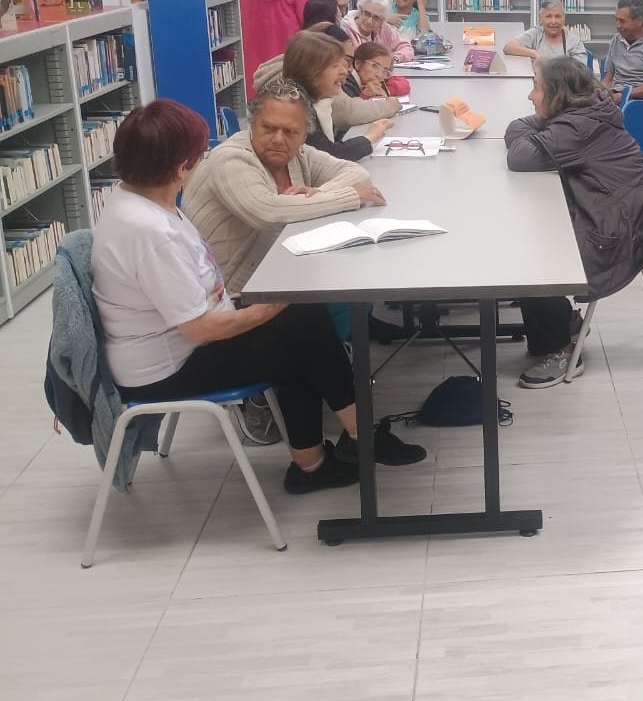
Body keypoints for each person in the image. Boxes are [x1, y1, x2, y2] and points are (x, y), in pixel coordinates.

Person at [90, 100, 422, 494]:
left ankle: (319, 460)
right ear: (181, 167)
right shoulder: (149, 232)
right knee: (301, 331)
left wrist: (246, 303)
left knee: (301, 323)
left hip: (176, 342)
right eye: (198, 156)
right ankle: (346, 444)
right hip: (166, 369)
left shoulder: (138, 202)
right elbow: (200, 328)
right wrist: (267, 309)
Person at [505, 57, 643, 388]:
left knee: (531, 262)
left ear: (557, 94)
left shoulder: (577, 127)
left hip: (627, 230)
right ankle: (562, 321)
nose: (530, 96)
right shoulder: (584, 112)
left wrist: (535, 130)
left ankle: (562, 348)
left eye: (536, 88)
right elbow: (518, 130)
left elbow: (520, 155)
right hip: (624, 214)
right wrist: (537, 128)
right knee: (535, 238)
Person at [183, 78, 386, 295]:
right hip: (228, 296)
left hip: (277, 274)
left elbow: (358, 174)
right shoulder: (231, 159)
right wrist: (348, 197)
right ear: (252, 124)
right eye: (268, 128)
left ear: (305, 134)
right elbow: (267, 211)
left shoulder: (298, 154)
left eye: (290, 132)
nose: (278, 139)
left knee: (354, 275)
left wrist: (320, 193)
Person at [283, 29, 395, 160]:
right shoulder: (295, 108)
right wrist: (370, 137)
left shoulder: (313, 101)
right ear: (311, 71)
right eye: (335, 65)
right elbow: (329, 156)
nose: (345, 71)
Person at [504, 0, 589, 66]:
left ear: (564, 19)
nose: (553, 21)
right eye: (548, 16)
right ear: (541, 19)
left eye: (558, 16)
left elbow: (580, 73)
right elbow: (508, 47)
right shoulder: (536, 33)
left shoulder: (574, 42)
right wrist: (535, 54)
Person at [342, 0, 414, 64]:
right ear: (360, 10)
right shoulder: (344, 30)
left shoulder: (384, 29)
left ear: (382, 21)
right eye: (367, 14)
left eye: (376, 17)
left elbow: (406, 48)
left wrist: (394, 59)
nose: (369, 21)